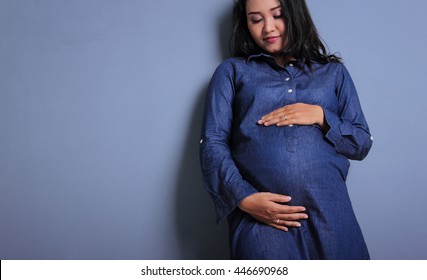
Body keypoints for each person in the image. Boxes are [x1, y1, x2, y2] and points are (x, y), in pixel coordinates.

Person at [199, 0, 373, 260]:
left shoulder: (333, 73)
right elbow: (212, 142)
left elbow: (361, 143)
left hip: (330, 215)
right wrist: (244, 199)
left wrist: (322, 116)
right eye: (256, 20)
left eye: (278, 15)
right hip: (262, 219)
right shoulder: (233, 72)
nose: (268, 27)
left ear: (295, 14)